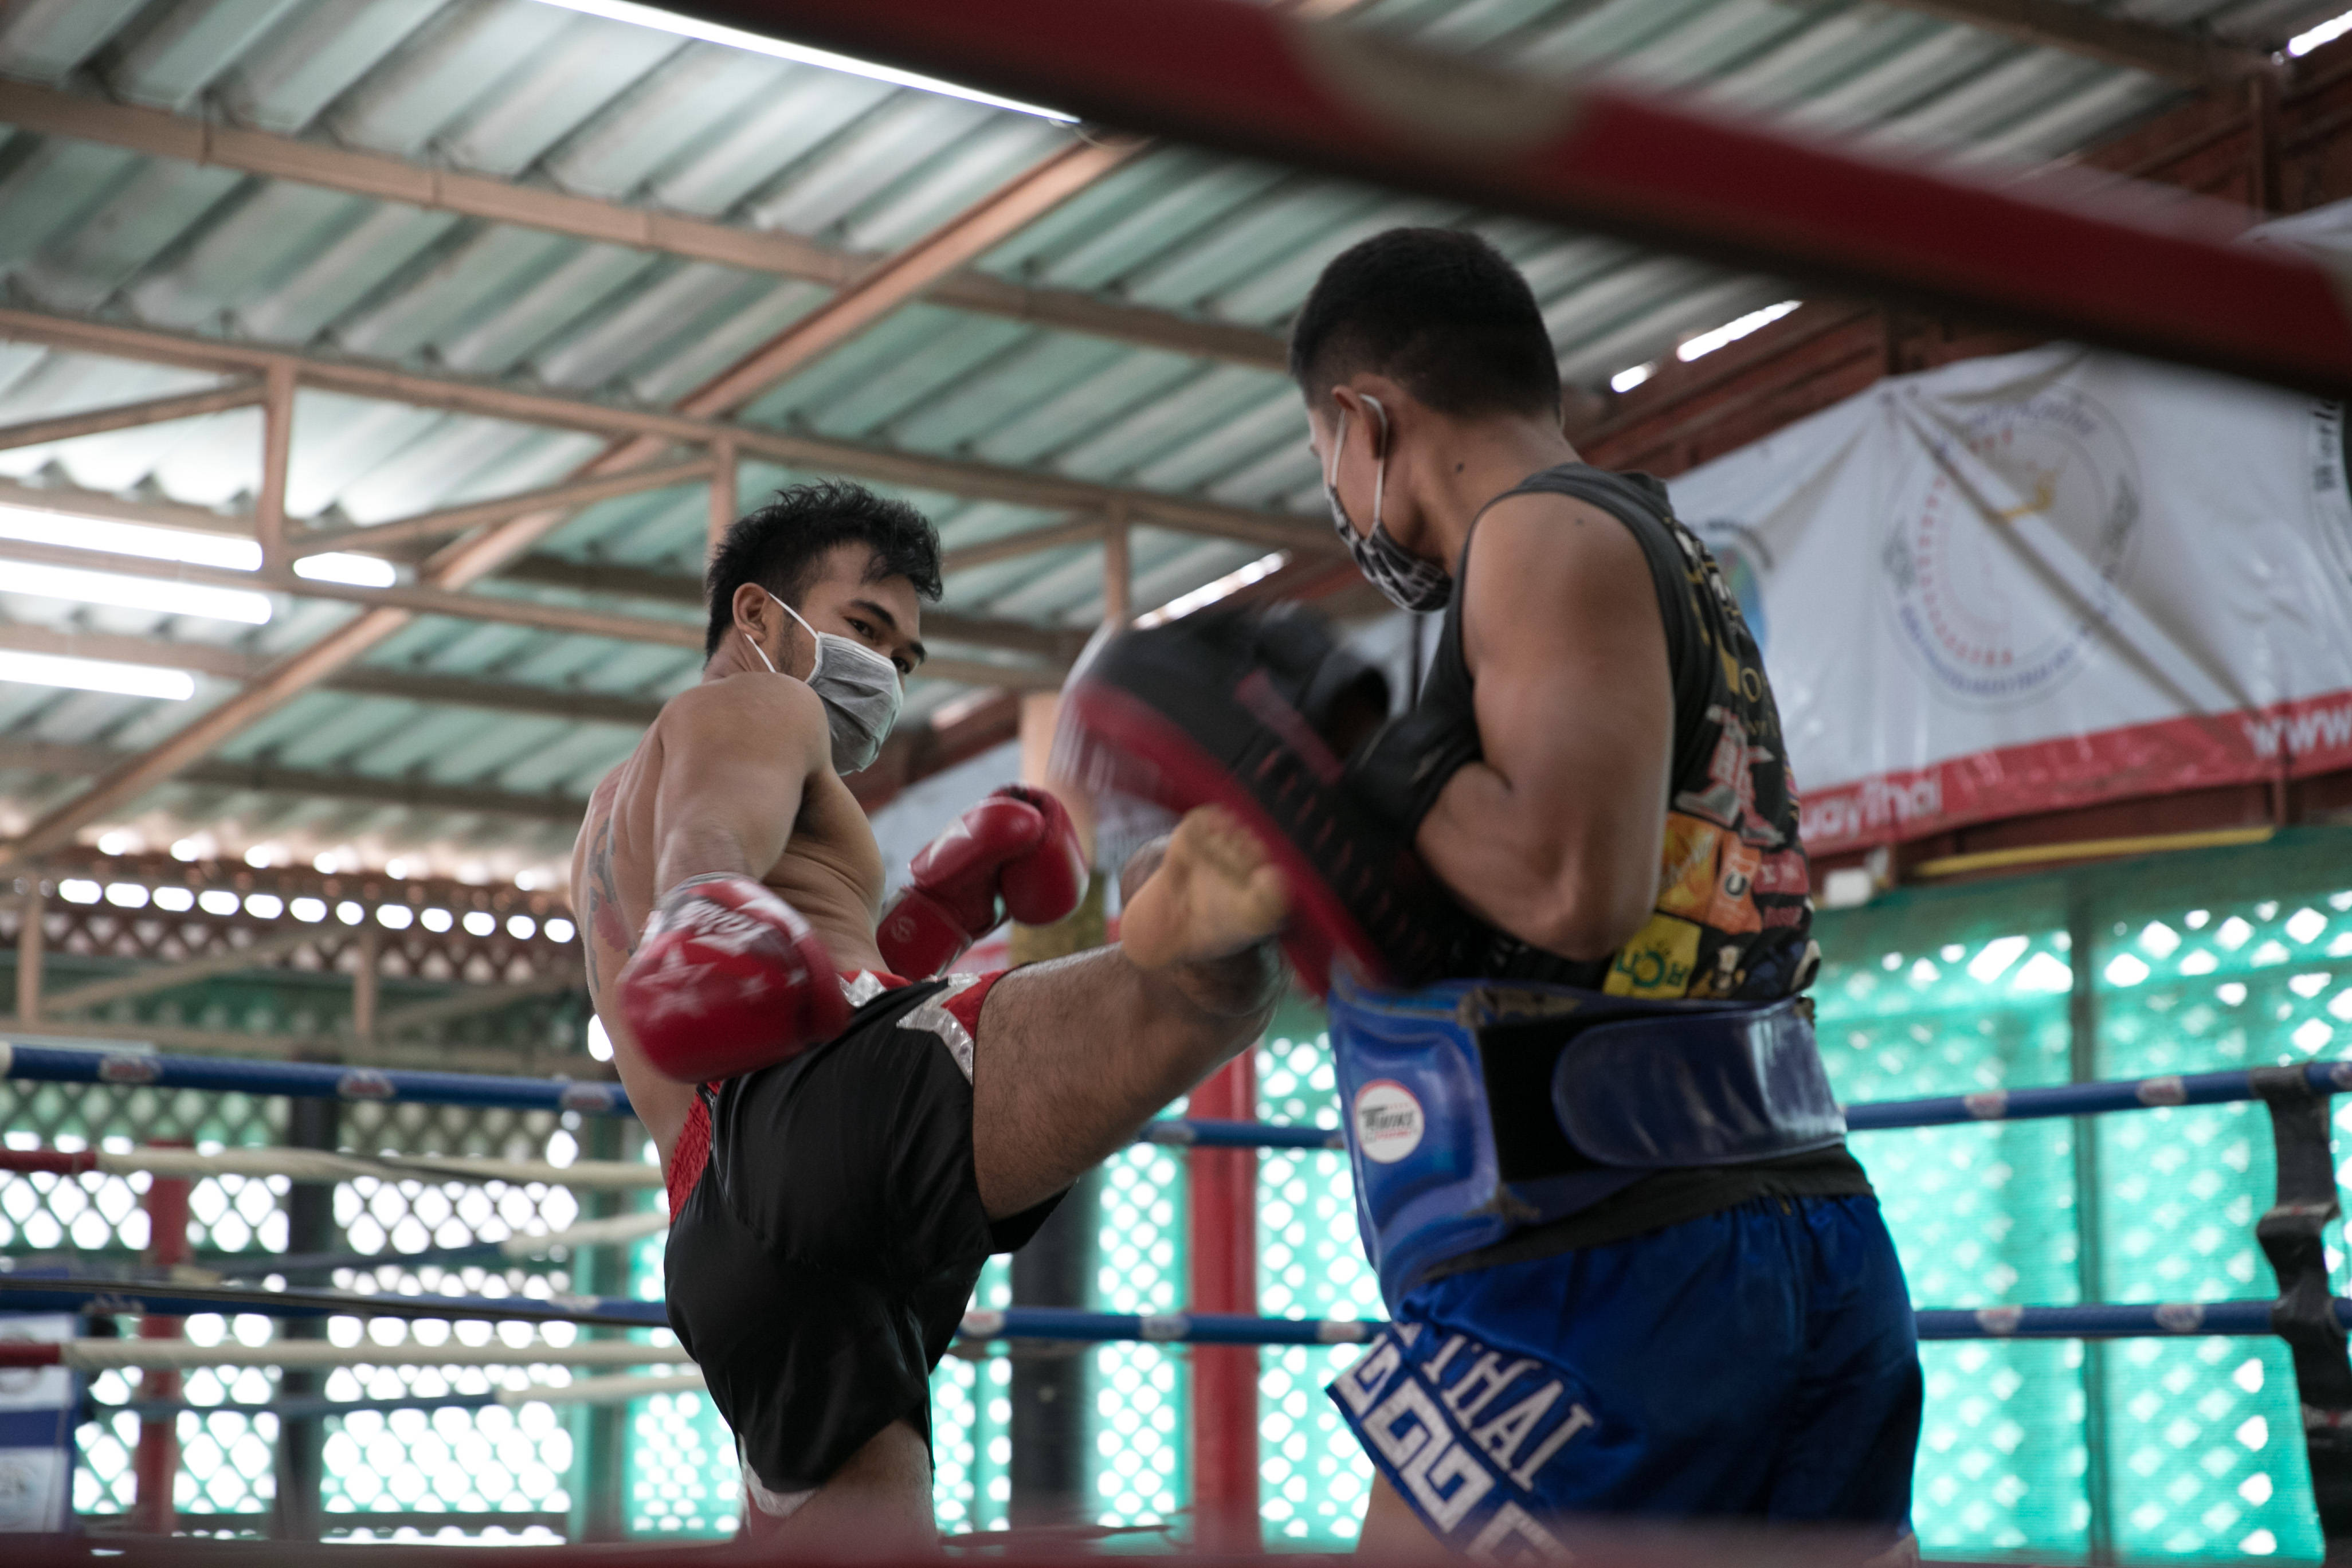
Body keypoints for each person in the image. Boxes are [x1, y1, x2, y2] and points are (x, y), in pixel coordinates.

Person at [1085, 230, 1921, 1559]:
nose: (1338, 503)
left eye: (1323, 461)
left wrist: (1350, 749)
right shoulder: (1660, 551)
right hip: (1787, 1238)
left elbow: (1574, 889)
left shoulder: (1539, 532)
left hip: (1609, 1272)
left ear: (1364, 419)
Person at [570, 481, 1282, 1551]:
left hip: (734, 1214)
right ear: (758, 616)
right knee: (1203, 985)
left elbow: (803, 967)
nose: (882, 677)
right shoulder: (756, 704)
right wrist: (698, 914)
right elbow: (710, 856)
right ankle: (1188, 926)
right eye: (863, 630)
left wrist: (945, 909)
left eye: (902, 661)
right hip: (811, 1119)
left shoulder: (610, 808)